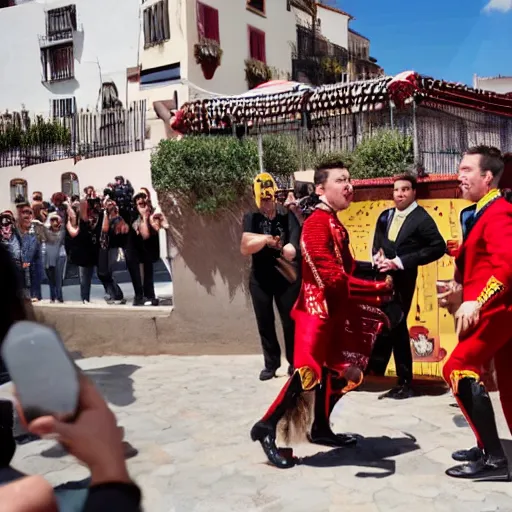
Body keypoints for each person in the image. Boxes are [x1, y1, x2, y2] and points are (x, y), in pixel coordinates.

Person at [250, 161, 394, 469]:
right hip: (316, 313)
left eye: (349, 179)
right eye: (341, 180)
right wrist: (377, 289)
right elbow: (332, 279)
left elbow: (347, 270)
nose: (349, 185)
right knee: (309, 372)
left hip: (332, 313)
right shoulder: (317, 224)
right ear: (320, 188)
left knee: (342, 373)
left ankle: (320, 428)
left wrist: (375, 270)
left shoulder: (333, 222)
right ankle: (266, 428)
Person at [439, 146, 512, 481]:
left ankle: (494, 459)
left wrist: (477, 301)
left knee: (459, 368)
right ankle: (487, 444)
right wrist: (459, 292)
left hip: (498, 310)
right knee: (509, 384)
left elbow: (507, 267)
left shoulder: (498, 213)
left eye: (467, 169)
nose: (459, 175)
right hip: (496, 310)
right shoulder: (483, 211)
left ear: (487, 177)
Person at [368, 173, 446, 399]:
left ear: (414, 193)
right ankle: (376, 373)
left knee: (397, 325)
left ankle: (405, 381)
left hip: (403, 282)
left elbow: (437, 247)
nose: (399, 194)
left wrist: (401, 261)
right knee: (383, 325)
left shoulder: (421, 218)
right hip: (381, 280)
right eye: (396, 190)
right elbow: (377, 245)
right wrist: (378, 258)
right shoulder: (385, 216)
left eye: (404, 190)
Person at [241, 173, 301, 380]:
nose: (267, 202)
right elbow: (245, 246)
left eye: (270, 197)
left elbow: (295, 239)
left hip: (285, 278)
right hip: (260, 279)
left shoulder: (286, 216)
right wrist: (266, 239)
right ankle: (271, 363)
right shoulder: (251, 218)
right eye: (263, 198)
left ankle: (295, 362)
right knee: (265, 322)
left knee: (290, 322)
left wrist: (289, 246)